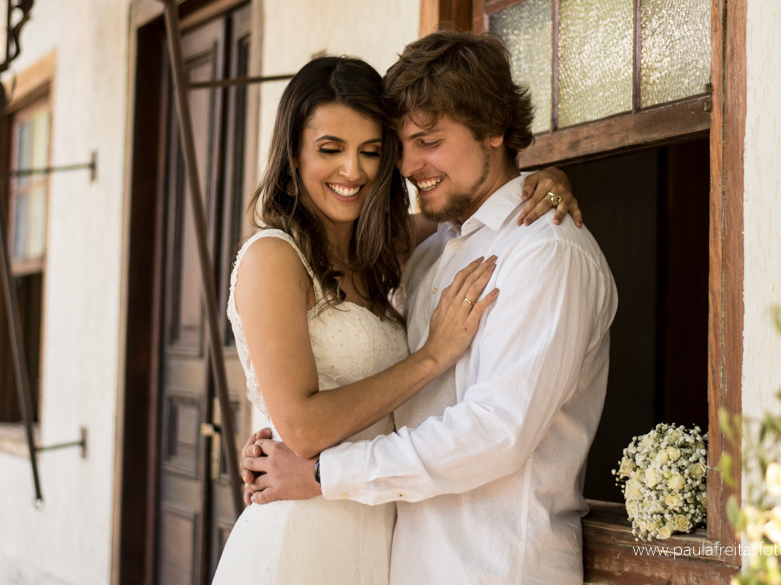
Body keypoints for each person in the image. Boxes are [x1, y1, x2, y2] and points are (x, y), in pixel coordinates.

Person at [242, 31, 618, 585]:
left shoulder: (548, 251)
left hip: (497, 566)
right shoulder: (429, 251)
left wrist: (324, 471)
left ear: (494, 129)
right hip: (393, 558)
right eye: (400, 145)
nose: (408, 165)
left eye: (429, 141)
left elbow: (496, 433)